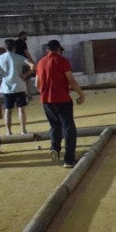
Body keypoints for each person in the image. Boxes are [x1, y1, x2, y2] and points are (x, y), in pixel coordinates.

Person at [34, 39, 85, 168]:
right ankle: (69, 159)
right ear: (58, 49)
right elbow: (71, 81)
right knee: (68, 128)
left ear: (47, 50)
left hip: (46, 101)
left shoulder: (40, 62)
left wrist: (46, 92)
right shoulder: (62, 61)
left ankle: (54, 148)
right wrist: (81, 94)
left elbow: (37, 84)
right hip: (62, 99)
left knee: (54, 126)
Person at [0, 38, 33, 135]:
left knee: (8, 111)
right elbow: (32, 66)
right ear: (15, 47)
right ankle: (23, 130)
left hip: (6, 88)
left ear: (4, 48)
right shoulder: (19, 57)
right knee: (21, 110)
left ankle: (8, 131)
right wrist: (25, 75)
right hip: (19, 86)